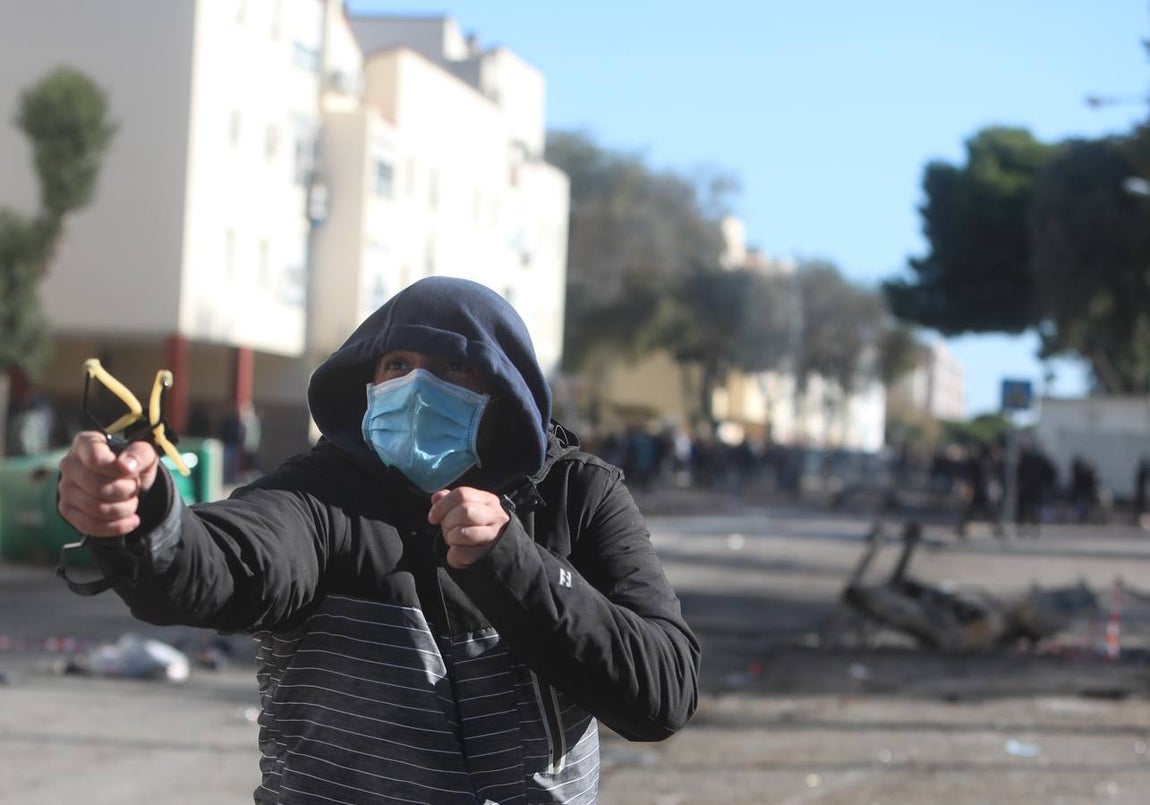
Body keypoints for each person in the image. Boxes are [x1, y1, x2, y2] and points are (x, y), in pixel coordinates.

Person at [56, 276, 700, 804]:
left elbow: (661, 695)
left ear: (504, 390)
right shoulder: (321, 496)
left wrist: (514, 563)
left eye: (453, 367)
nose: (418, 388)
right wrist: (144, 519)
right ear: (367, 388)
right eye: (398, 365)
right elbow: (225, 561)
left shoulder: (577, 497)